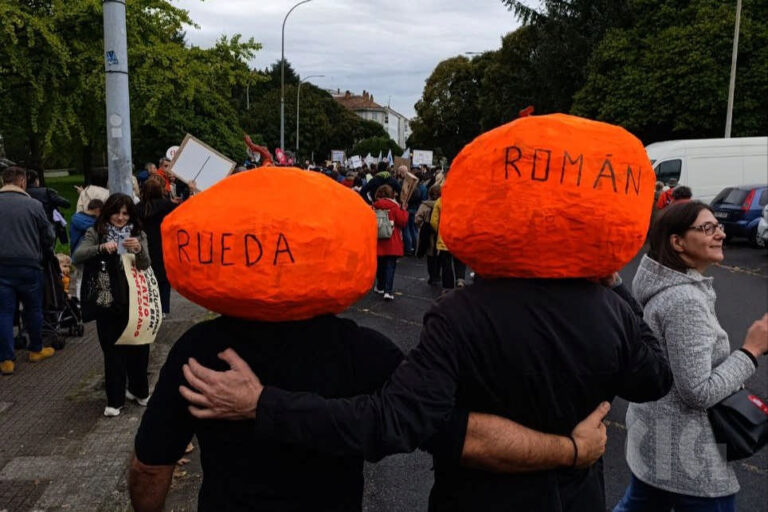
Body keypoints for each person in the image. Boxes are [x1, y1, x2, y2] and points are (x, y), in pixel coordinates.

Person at [129, 168, 612, 512]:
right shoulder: (363, 350)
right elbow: (459, 434)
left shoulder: (197, 351)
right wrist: (568, 450)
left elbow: (152, 465)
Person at [614, 201, 768, 512]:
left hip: (656, 443)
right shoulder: (684, 300)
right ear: (678, 242)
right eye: (707, 228)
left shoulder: (662, 285)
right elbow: (698, 392)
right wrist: (751, 350)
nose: (720, 234)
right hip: (689, 458)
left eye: (719, 226)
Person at [72, 194, 151, 416]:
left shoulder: (138, 233)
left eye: (125, 213)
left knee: (139, 346)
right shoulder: (96, 232)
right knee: (112, 349)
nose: (120, 217)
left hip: (135, 299)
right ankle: (115, 400)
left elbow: (146, 264)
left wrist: (138, 249)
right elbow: (78, 255)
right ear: (108, 213)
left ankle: (139, 391)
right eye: (116, 212)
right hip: (106, 298)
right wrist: (100, 248)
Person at [0, 167, 56, 375]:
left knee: (4, 312)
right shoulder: (34, 205)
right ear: (22, 181)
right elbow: (48, 236)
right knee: (33, 309)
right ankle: (35, 349)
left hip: (2, 266)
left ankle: (6, 359)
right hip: (29, 265)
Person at [137, 177, 178, 316]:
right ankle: (164, 308)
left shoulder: (139, 208)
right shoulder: (166, 205)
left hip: (145, 245)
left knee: (147, 277)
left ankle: (150, 306)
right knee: (164, 279)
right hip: (163, 244)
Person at [372, 185, 408, 301]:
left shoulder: (374, 206)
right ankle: (388, 291)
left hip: (378, 240)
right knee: (390, 266)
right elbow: (402, 222)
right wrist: (404, 209)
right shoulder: (394, 207)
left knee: (380, 265)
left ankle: (380, 286)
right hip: (392, 240)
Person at [430, 196, 466, 289]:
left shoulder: (440, 201)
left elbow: (433, 221)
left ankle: (448, 285)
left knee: (446, 263)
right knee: (460, 259)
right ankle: (460, 278)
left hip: (444, 237)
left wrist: (438, 231)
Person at [69, 199, 103, 298]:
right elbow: (94, 227)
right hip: (81, 252)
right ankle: (80, 300)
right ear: (97, 210)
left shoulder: (77, 217)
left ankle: (80, 298)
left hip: (77, 250)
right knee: (81, 278)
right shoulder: (84, 221)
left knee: (80, 276)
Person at [414, 184, 441, 284]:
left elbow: (417, 219)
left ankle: (432, 276)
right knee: (439, 256)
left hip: (428, 233)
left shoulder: (425, 205)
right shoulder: (444, 204)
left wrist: (421, 225)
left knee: (430, 256)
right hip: (440, 233)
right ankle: (437, 274)